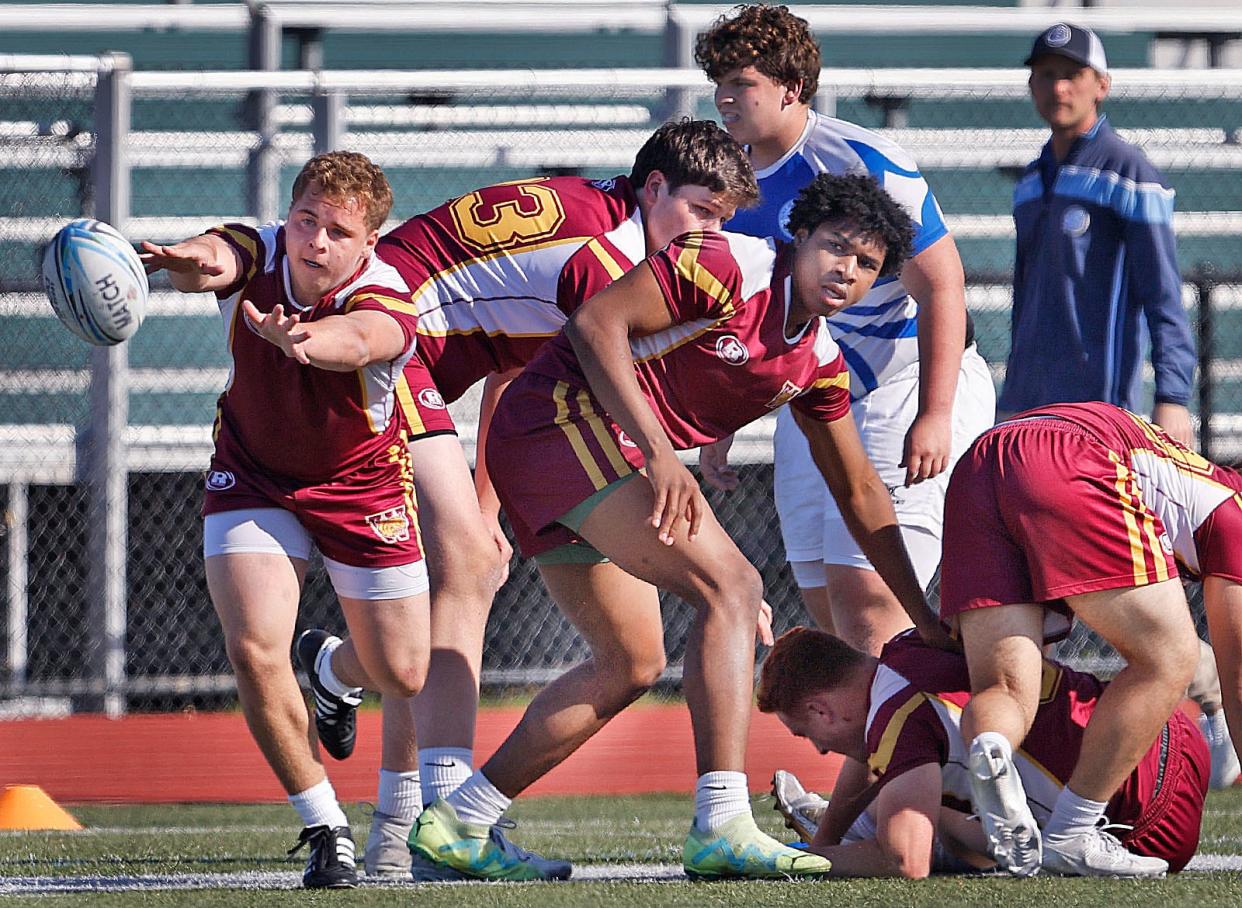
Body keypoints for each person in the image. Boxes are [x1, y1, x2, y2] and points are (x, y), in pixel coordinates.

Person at [408, 172, 952, 882]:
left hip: (578, 450)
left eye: (867, 263)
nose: (846, 268)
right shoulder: (729, 262)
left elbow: (861, 494)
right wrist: (665, 457)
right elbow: (594, 324)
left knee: (630, 663)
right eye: (835, 246)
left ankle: (458, 824)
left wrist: (925, 620)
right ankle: (722, 820)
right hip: (556, 423)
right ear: (799, 238)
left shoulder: (817, 361)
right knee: (733, 585)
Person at [294, 120, 760, 879]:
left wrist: (485, 497)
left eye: (725, 221)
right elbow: (598, 372)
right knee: (468, 569)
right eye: (703, 213)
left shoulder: (603, 229)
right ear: (653, 190)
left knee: (457, 572)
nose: (711, 235)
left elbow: (521, 364)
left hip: (419, 349)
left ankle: (346, 682)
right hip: (385, 335)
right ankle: (421, 824)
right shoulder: (605, 257)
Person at [139, 152, 430, 889]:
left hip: (362, 483)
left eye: (338, 230)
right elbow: (212, 259)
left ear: (369, 242)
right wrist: (183, 260)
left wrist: (302, 341)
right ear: (287, 217)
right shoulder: (257, 248)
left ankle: (333, 668)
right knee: (253, 648)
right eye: (307, 220)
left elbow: (361, 342)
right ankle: (323, 823)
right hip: (254, 474)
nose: (316, 241)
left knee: (403, 669)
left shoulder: (388, 291)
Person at [694, 3, 995, 656]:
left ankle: (953, 751)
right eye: (718, 80)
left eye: (740, 82)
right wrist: (721, 422)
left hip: (904, 384)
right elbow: (743, 313)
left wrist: (934, 413)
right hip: (814, 401)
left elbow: (941, 284)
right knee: (832, 620)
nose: (724, 97)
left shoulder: (859, 158)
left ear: (790, 88)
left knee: (872, 610)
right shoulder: (725, 183)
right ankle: (906, 758)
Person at [939, 401, 1242, 877]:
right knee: (1169, 660)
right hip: (1069, 456)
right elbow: (1237, 681)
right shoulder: (1234, 512)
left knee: (1008, 685)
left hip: (983, 458)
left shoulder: (1206, 485)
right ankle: (1071, 831)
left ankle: (991, 746)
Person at [758, 627, 1208, 877]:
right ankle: (864, 823)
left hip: (1149, 823)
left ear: (820, 709)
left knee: (922, 826)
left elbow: (902, 862)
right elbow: (872, 753)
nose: (818, 749)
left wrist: (778, 862)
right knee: (941, 796)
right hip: (1158, 726)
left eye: (806, 733)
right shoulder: (906, 648)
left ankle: (875, 825)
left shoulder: (895, 718)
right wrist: (826, 842)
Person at [1001, 24, 1196, 447]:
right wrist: (1013, 391)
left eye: (1073, 75)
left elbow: (1162, 291)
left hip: (1099, 406)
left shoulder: (1128, 171)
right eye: (1047, 74)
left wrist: (1173, 396)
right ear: (1031, 85)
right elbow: (1024, 295)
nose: (1059, 87)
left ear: (1102, 85)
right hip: (1029, 401)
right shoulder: (1030, 181)